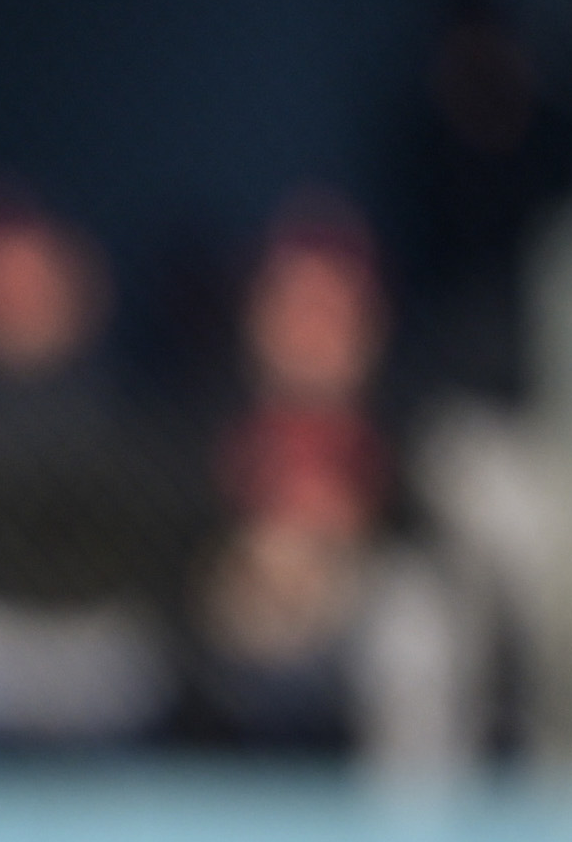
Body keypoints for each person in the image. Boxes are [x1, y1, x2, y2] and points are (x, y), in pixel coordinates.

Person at [0, 181, 197, 750]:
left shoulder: (143, 415)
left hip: (110, 650)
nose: (14, 300)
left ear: (80, 287)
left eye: (32, 281)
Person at [192, 196, 473, 778]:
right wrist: (251, 552)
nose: (312, 330)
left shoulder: (409, 427)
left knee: (413, 618)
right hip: (243, 632)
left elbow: (442, 551)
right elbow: (171, 544)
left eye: (334, 309)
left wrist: (350, 531)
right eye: (294, 307)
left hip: (355, 622)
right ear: (256, 318)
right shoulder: (209, 421)